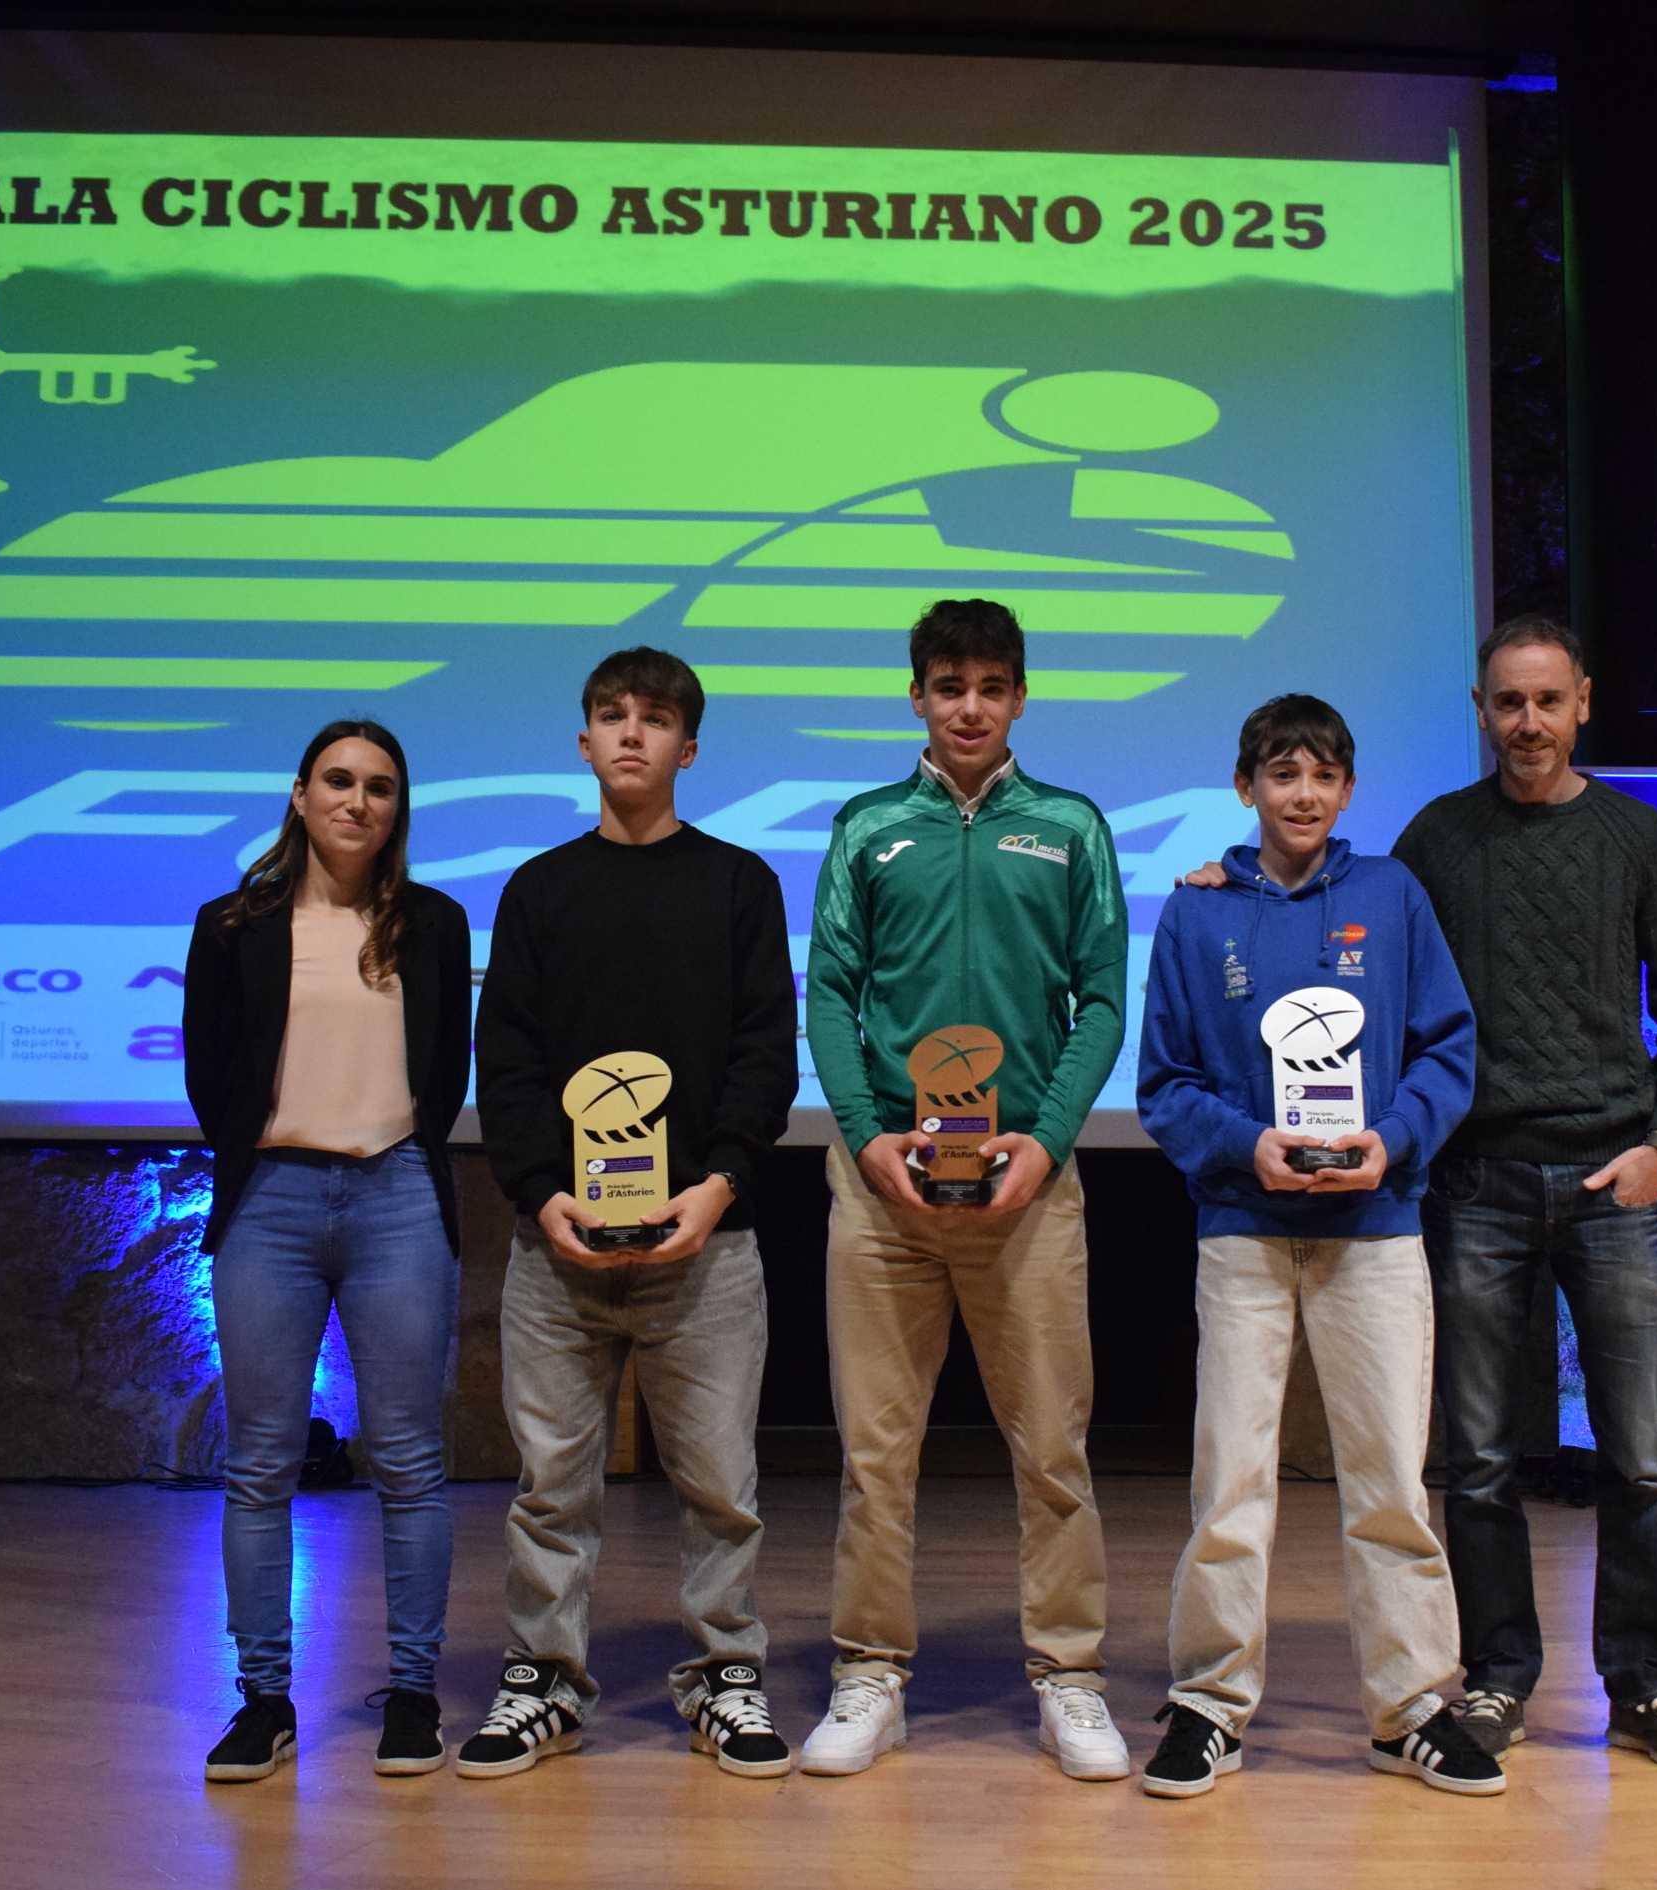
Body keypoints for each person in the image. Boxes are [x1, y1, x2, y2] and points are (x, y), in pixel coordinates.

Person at [1134, 694, 1501, 1799]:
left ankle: (1410, 1706)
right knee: (1230, 1482)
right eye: (1280, 773)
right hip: (1245, 1231)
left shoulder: (1390, 895)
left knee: (1389, 1477)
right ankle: (1208, 1700)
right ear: (1245, 784)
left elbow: (1447, 1045)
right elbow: (1165, 1083)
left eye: (1323, 775)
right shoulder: (1196, 914)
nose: (1302, 793)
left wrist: (1391, 1142)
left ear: (1346, 789)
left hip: (1374, 1232)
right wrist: (1249, 1145)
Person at [799, 597, 1133, 1781]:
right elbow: (829, 995)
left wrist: (1045, 1141)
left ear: (1021, 698)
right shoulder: (867, 826)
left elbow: (1101, 1000)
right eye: (949, 686)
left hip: (1027, 1186)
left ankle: (1071, 1676)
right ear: (918, 698)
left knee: (1052, 1448)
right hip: (880, 1183)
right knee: (875, 1454)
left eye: (992, 686)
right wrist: (865, 1134)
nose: (971, 707)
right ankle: (869, 1672)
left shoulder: (1072, 827)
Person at [454, 649, 803, 1779]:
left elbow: (762, 1050)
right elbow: (503, 1056)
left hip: (707, 1240)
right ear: (584, 740)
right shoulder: (540, 889)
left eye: (656, 720)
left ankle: (723, 1674)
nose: (632, 735)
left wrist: (717, 1183)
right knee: (551, 1485)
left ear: (688, 748)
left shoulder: (740, 883)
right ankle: (544, 1678)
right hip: (556, 1246)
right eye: (611, 716)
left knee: (719, 1485)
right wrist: (537, 1191)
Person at [1400, 615, 1657, 1773]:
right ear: (1480, 709)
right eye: (1506, 702)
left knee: (1636, 1456)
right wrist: (1229, 876)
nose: (1526, 723)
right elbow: (1368, 969)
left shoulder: (1638, 838)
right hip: (1477, 1184)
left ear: (1582, 701)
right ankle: (1494, 1678)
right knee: (1480, 1458)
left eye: (1546, 700)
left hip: (1613, 1184)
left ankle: (1644, 1685)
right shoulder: (1436, 840)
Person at [180, 719, 472, 1783]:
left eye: (381, 786)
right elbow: (212, 1074)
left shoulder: (434, 924)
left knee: (409, 1459)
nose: (358, 800)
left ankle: (411, 1691)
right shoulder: (232, 923)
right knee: (259, 1462)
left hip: (397, 1192)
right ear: (299, 795)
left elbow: (443, 1076)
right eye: (338, 781)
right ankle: (263, 1701)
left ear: (400, 807)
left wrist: (385, 1154)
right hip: (271, 1200)